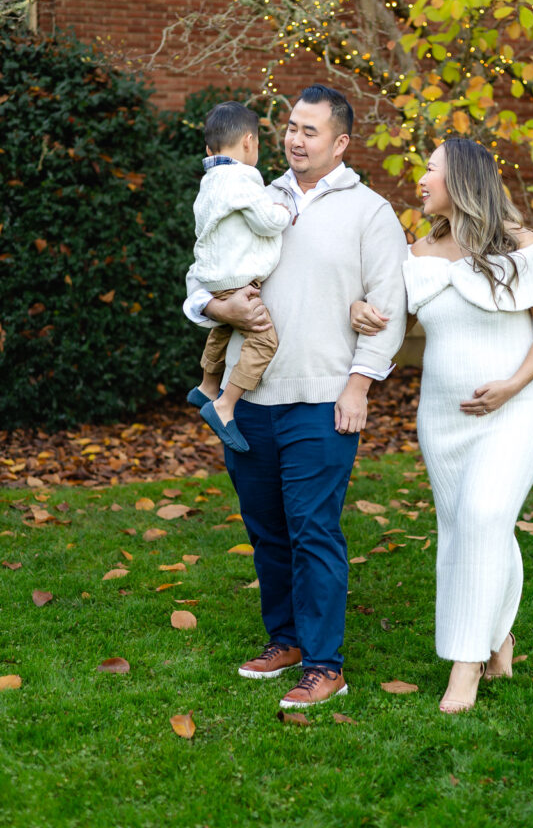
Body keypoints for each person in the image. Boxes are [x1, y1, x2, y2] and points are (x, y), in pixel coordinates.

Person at [184, 84, 407, 708]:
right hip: (247, 402)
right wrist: (213, 304)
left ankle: (324, 663)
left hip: (322, 398)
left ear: (340, 142)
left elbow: (389, 309)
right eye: (290, 127)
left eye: (310, 131)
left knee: (313, 531)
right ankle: (283, 640)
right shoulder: (252, 191)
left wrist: (360, 384)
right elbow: (197, 278)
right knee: (266, 530)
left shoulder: (371, 213)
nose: (294, 138)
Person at [351, 136, 533, 714]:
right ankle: (499, 640)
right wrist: (357, 309)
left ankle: (464, 668)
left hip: (514, 413)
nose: (419, 180)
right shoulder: (416, 252)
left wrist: (512, 385)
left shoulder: (524, 247)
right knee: (471, 530)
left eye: (429, 170)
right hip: (442, 421)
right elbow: (388, 323)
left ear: (463, 180)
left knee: (481, 516)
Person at [184, 101, 291, 452]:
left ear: (208, 149)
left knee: (223, 326)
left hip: (213, 280)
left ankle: (206, 385)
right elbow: (265, 221)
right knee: (263, 341)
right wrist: (283, 212)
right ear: (249, 142)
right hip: (236, 278)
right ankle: (225, 404)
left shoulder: (209, 182)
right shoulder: (243, 179)